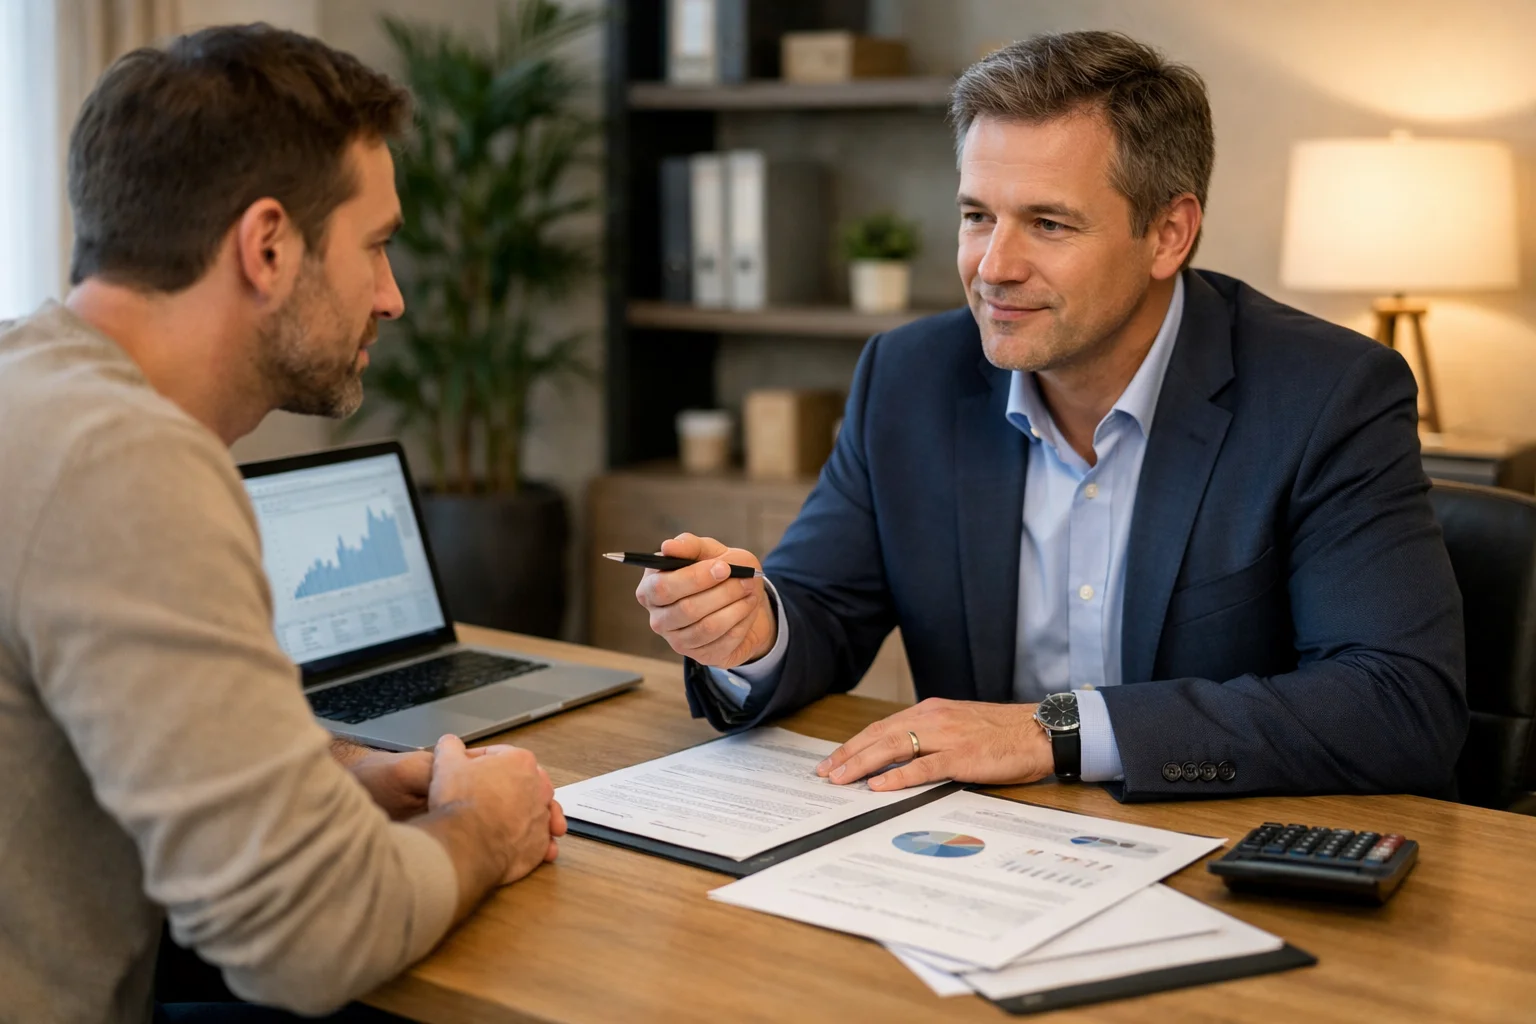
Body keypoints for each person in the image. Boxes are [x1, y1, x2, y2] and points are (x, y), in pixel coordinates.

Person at [636, 30, 1467, 802]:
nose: (993, 268)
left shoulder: (1328, 393)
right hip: (966, 850)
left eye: (1048, 223)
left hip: (1210, 851)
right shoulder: (910, 377)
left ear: (1169, 234)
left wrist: (1052, 732)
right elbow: (820, 606)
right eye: (976, 217)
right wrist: (748, 635)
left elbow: (1397, 704)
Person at [0, 24, 565, 1024]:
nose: (392, 298)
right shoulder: (124, 464)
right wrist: (485, 826)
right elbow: (303, 938)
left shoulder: (31, 389)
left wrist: (341, 778)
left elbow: (118, 733)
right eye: (378, 247)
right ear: (267, 246)